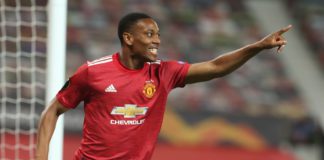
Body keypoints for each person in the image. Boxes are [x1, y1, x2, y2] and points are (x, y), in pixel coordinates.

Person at [36, 12, 292, 160]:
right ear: (128, 38)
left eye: (158, 34)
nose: (157, 40)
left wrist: (258, 46)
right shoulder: (93, 72)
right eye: (149, 34)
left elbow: (216, 67)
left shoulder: (164, 72)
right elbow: (52, 111)